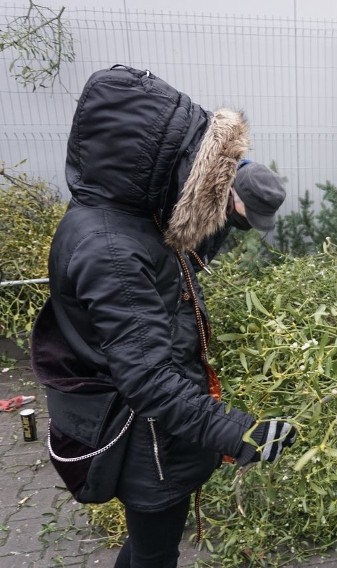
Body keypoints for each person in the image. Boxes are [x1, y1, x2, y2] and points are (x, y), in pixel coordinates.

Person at [30, 65, 296, 567]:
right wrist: (235, 431)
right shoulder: (112, 249)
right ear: (151, 162)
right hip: (145, 440)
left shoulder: (126, 219)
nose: (198, 176)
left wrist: (229, 205)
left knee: (150, 547)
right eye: (192, 161)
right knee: (156, 555)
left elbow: (179, 249)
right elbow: (149, 378)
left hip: (153, 434)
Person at [195, 159, 286, 265]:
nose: (249, 222)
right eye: (249, 214)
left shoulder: (225, 205)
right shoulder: (194, 189)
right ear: (234, 192)